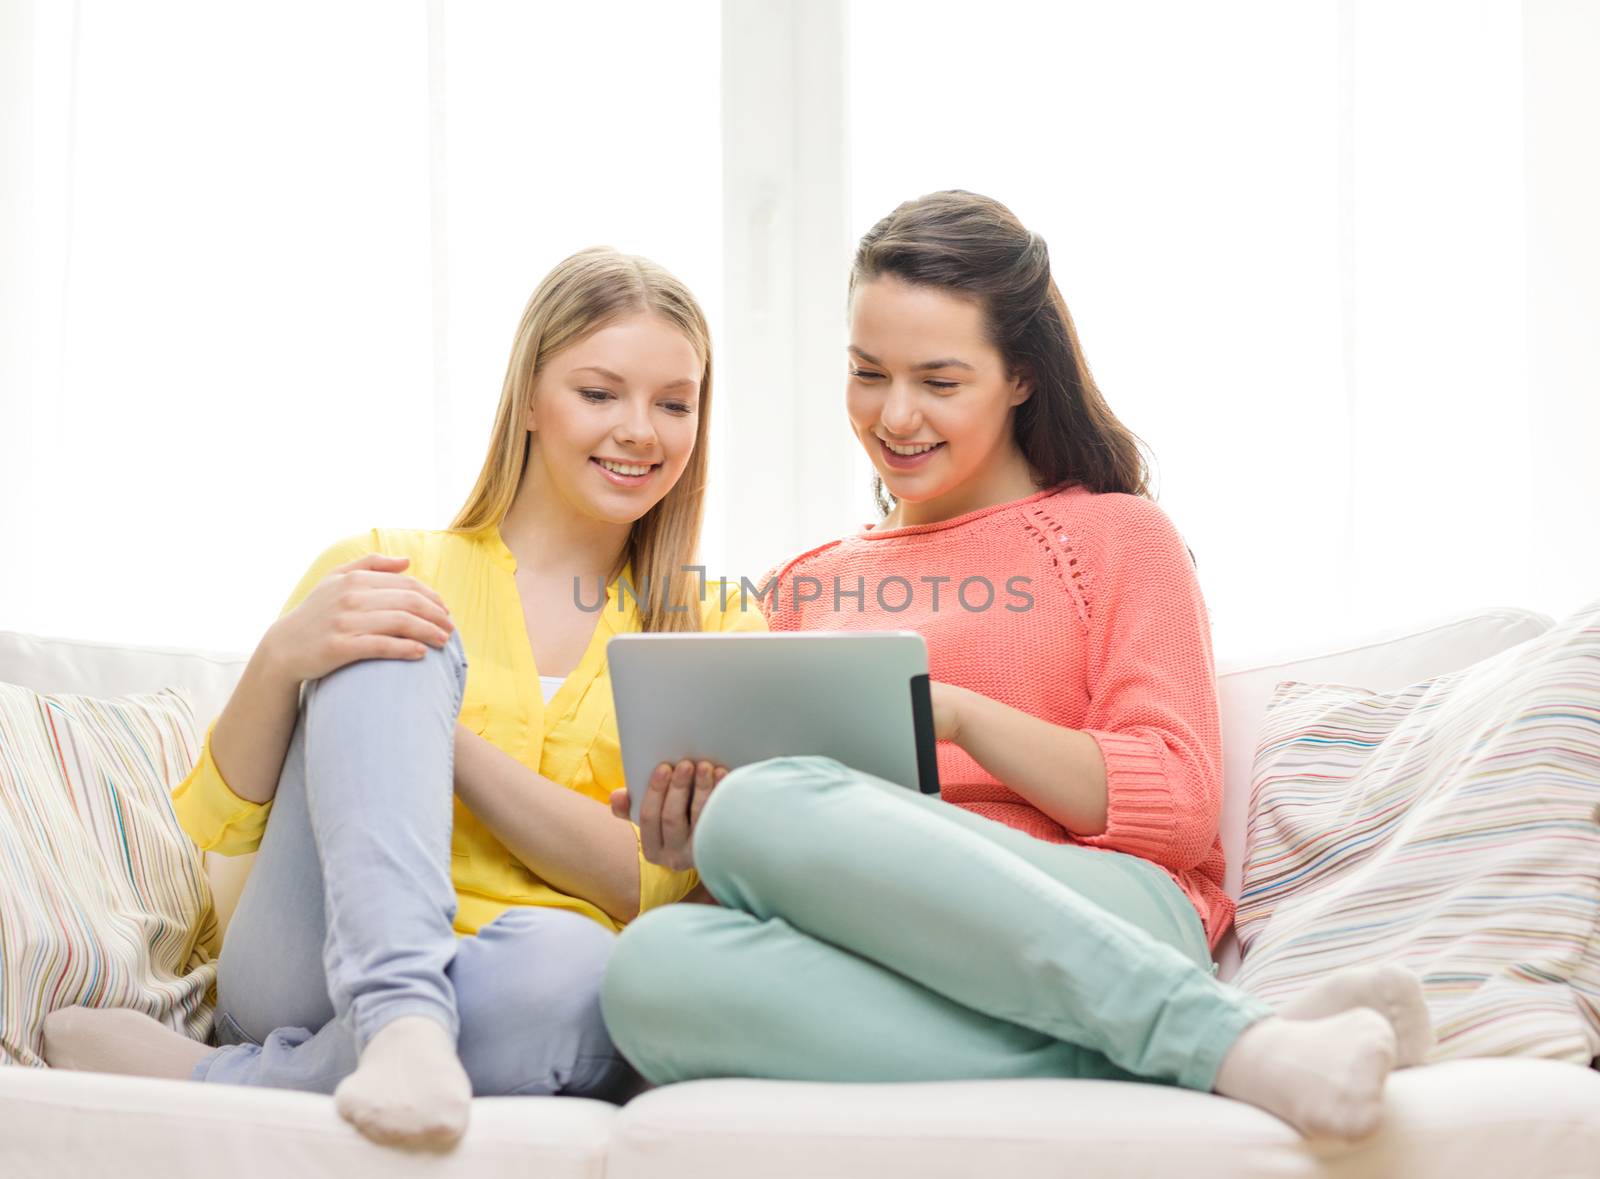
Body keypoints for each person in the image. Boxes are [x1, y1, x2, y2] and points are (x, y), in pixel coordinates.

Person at [600, 192, 1435, 1143]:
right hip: (886, 942)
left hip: (1106, 909)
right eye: (868, 373)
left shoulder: (1113, 537)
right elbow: (799, 855)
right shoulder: (798, 585)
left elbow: (1176, 800)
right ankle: (1232, 1046)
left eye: (940, 381)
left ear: (1022, 379)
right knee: (648, 971)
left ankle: (1182, 1022)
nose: (895, 414)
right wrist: (693, 827)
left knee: (767, 802)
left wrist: (956, 717)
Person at [41, 247, 757, 1151]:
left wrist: (443, 745)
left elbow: (640, 882)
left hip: (533, 985)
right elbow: (226, 823)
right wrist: (281, 659)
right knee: (400, 623)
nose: (640, 431)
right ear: (530, 397)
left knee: (585, 971)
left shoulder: (718, 625)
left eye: (674, 403)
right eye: (600, 392)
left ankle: (225, 1075)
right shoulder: (386, 561)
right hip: (313, 959)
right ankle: (399, 1012)